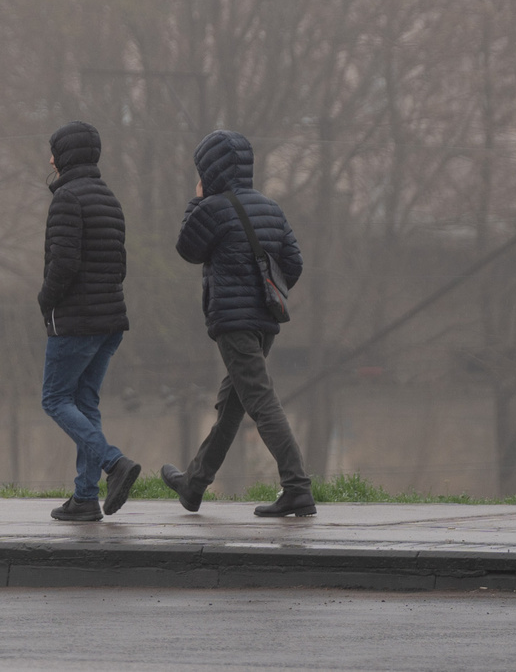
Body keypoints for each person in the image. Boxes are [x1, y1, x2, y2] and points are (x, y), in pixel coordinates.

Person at [160, 128, 314, 517]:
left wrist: (196, 202)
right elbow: (293, 264)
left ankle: (297, 487)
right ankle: (193, 484)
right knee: (232, 404)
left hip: (232, 322)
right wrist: (262, 293)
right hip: (265, 321)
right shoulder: (271, 207)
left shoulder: (212, 208)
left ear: (210, 169)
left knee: (260, 400)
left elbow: (187, 248)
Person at [35, 119, 142, 521]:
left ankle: (113, 463)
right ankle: (84, 498)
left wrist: (45, 301)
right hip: (110, 321)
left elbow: (62, 265)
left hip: (76, 322)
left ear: (65, 156)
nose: (49, 159)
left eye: (53, 151)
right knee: (84, 403)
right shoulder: (109, 198)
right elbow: (121, 265)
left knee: (55, 399)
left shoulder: (67, 199)